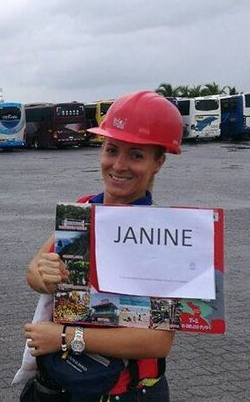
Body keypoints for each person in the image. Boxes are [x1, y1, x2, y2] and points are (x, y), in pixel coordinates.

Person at [22, 91, 183, 401]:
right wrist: (44, 275)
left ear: (158, 162)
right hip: (62, 386)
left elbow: (157, 341)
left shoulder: (166, 236)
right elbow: (33, 272)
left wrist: (65, 337)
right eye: (112, 150)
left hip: (126, 393)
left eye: (136, 155)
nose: (119, 165)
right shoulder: (84, 210)